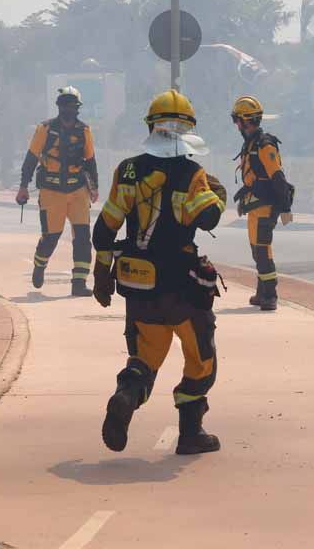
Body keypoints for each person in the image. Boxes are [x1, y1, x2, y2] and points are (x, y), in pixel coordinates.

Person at [91, 90, 227, 455]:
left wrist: (101, 272)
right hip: (183, 289)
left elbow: (104, 230)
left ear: (151, 126)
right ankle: (190, 434)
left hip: (139, 285)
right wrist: (218, 193)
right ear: (188, 130)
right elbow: (208, 217)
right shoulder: (192, 173)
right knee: (201, 360)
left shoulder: (128, 170)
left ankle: (125, 396)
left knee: (144, 360)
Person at [16, 87, 99, 296]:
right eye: (65, 105)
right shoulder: (44, 129)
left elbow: (90, 161)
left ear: (77, 108)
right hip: (51, 191)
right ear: (59, 107)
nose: (69, 110)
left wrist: (94, 188)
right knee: (51, 236)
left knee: (82, 237)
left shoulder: (84, 131)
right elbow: (31, 159)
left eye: (72, 106)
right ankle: (40, 264)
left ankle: (79, 283)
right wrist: (23, 187)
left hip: (78, 190)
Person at [231, 95, 294, 312]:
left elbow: (278, 178)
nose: (236, 124)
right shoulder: (251, 144)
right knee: (256, 249)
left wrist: (286, 208)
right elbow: (254, 178)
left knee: (263, 250)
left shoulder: (265, 145)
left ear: (246, 120)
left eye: (236, 119)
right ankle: (261, 292)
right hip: (256, 205)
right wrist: (242, 197)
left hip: (267, 206)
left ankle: (270, 295)